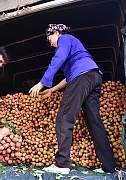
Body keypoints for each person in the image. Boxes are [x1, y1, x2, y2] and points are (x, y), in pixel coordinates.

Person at [29, 24, 117, 174]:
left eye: (50, 39)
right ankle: (109, 167)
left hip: (83, 77)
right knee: (94, 123)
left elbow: (59, 59)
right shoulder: (74, 50)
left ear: (56, 32)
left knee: (64, 118)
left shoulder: (65, 39)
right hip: (93, 76)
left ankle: (62, 164)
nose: (50, 43)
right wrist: (52, 89)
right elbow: (69, 78)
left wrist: (42, 83)